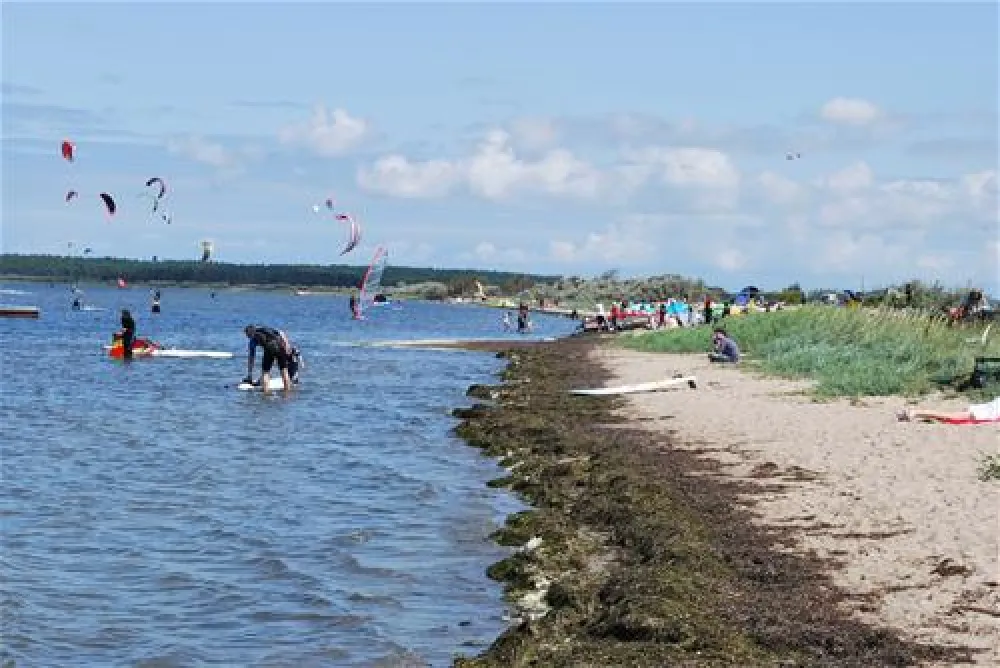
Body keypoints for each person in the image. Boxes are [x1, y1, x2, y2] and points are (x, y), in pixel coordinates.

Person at [243, 324, 293, 393]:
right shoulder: (265, 329)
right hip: (281, 347)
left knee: (265, 373)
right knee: (284, 370)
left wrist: (249, 375)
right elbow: (281, 332)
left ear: (249, 334)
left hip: (269, 350)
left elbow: (251, 359)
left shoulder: (253, 341)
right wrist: (287, 345)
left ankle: (266, 393)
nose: (247, 337)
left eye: (247, 335)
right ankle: (288, 392)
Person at [896, 397, 1000, 424]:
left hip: (992, 408)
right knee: (952, 416)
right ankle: (917, 412)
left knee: (952, 416)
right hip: (992, 410)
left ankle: (918, 413)